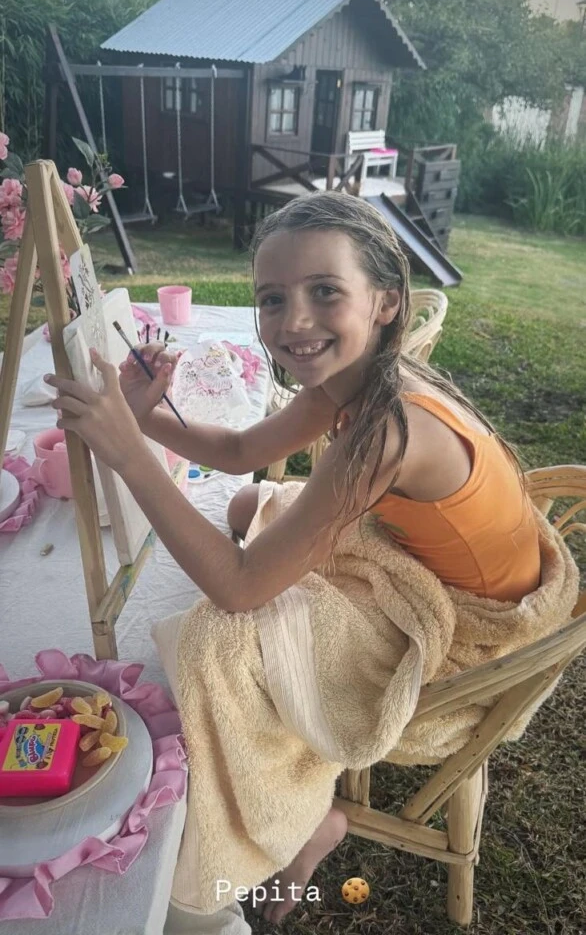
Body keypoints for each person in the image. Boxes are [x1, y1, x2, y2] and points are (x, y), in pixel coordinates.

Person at [44, 191, 541, 925]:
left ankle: (303, 820)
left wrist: (127, 452)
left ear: (385, 302)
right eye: (272, 299)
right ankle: (305, 803)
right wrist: (145, 419)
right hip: (426, 565)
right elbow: (244, 450)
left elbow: (240, 587)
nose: (294, 322)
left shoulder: (386, 428)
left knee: (214, 640)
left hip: (471, 637)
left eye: (324, 292)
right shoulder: (351, 377)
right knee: (248, 502)